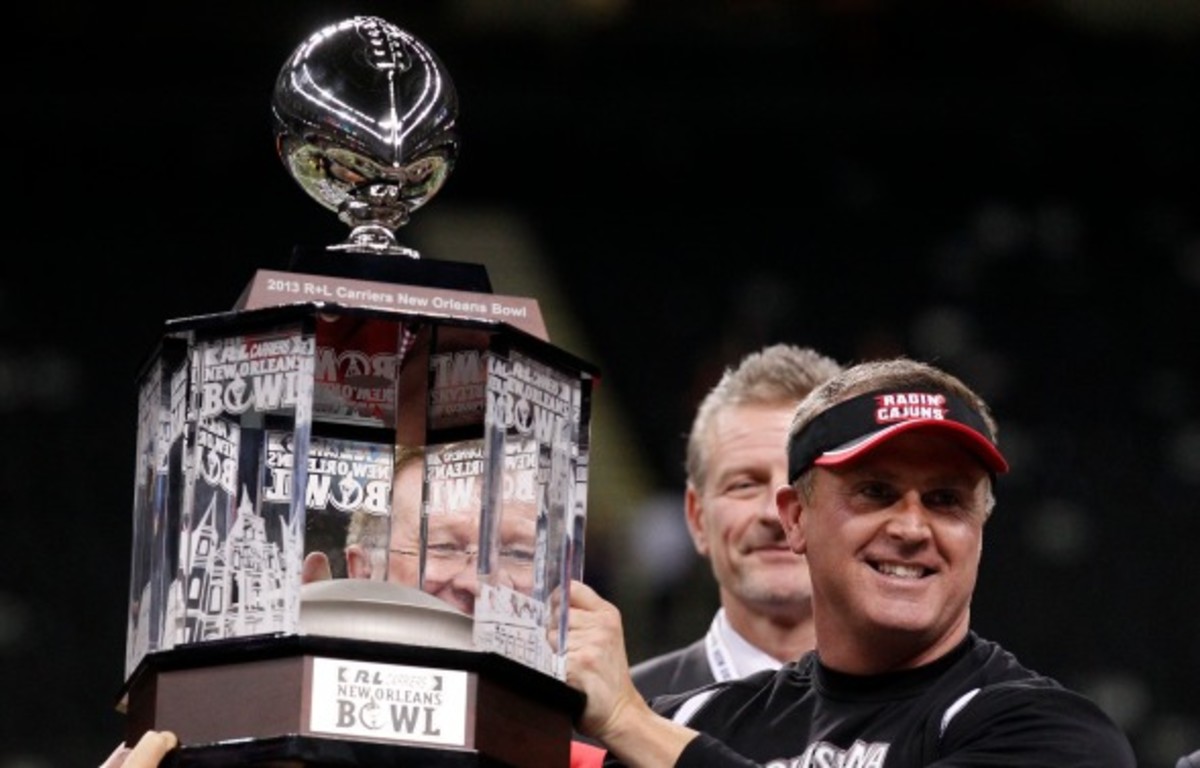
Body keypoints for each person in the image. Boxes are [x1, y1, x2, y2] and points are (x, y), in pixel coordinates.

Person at [565, 357, 1137, 766]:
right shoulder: (695, 719)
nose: (912, 528)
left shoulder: (1054, 735)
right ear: (794, 519)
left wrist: (628, 724)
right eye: (876, 492)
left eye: (946, 500)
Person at [630, 344, 841, 700]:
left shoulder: (943, 712)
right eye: (744, 485)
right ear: (697, 519)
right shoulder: (613, 719)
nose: (776, 514)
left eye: (805, 482)